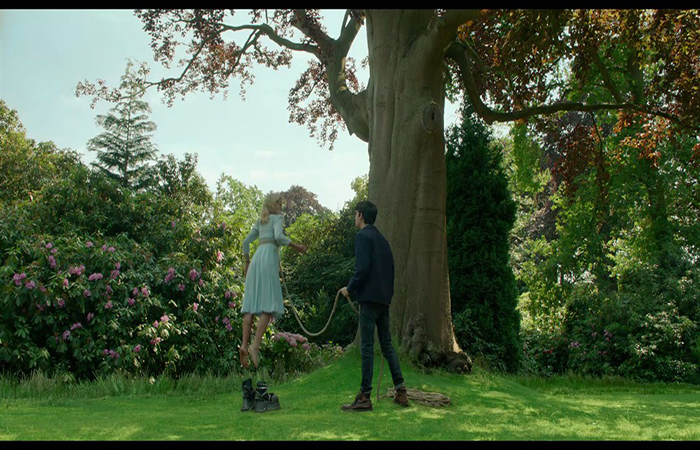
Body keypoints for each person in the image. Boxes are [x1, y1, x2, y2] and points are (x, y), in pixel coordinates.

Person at [340, 200, 408, 411]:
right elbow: (390, 271)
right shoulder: (382, 240)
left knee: (367, 347)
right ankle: (401, 391)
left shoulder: (363, 236)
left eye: (355, 214)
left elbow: (362, 269)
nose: (354, 217)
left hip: (369, 300)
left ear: (360, 215)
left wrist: (349, 289)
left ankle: (365, 397)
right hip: (383, 300)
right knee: (386, 345)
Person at [239, 192, 306, 369]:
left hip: (256, 259)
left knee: (250, 306)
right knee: (269, 307)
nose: (281, 207)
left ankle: (244, 344)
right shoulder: (277, 219)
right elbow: (279, 237)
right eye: (278, 204)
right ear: (272, 205)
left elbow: (246, 242)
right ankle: (255, 345)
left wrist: (247, 262)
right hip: (268, 258)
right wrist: (296, 246)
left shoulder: (260, 221)